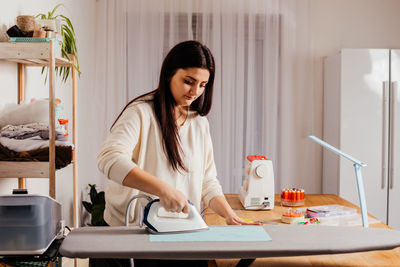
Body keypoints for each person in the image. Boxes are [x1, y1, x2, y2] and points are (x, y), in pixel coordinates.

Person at [96, 40, 255, 267]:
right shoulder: (141, 113)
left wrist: (229, 215)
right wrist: (163, 189)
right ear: (170, 73)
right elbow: (109, 158)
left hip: (182, 236)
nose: (195, 91)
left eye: (203, 85)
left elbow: (207, 181)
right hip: (135, 238)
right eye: (188, 82)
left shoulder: (199, 123)